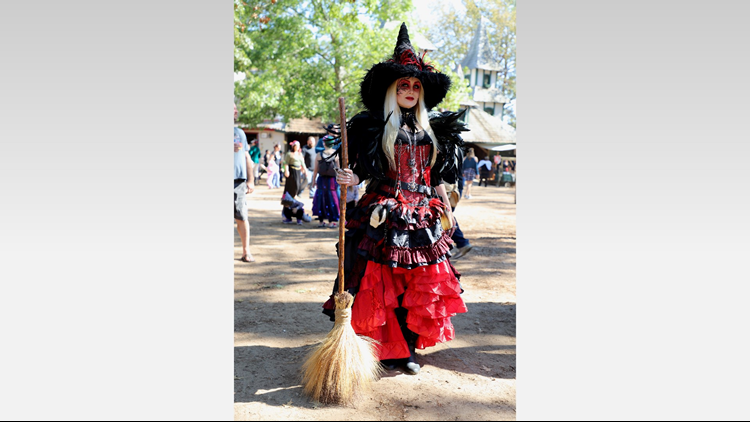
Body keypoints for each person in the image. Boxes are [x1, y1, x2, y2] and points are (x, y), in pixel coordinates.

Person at [322, 23, 469, 376]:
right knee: (383, 279)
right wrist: (349, 177)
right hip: (384, 210)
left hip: (425, 213)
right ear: (391, 89)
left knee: (418, 280)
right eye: (403, 84)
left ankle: (409, 346)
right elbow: (360, 171)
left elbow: (435, 179)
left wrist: (448, 211)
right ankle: (387, 346)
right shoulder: (375, 126)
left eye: (416, 85)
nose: (410, 90)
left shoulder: (430, 130)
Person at [233, 103, 255, 263]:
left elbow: (247, 157)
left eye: (235, 108)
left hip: (238, 182)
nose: (235, 111)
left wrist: (251, 180)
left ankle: (246, 251)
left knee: (241, 216)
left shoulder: (240, 133)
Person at [311, 136, 341, 228]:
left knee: (320, 199)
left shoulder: (319, 155)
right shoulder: (335, 154)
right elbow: (338, 170)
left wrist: (313, 181)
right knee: (332, 200)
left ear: (324, 143)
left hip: (321, 180)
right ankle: (331, 222)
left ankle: (321, 221)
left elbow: (315, 170)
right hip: (332, 181)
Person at [281, 140, 308, 221]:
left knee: (297, 186)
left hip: (298, 172)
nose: (297, 147)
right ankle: (286, 211)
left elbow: (303, 163)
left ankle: (296, 203)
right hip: (291, 172)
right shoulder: (289, 154)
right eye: (296, 145)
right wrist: (286, 170)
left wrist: (305, 171)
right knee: (290, 189)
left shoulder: (300, 154)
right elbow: (285, 163)